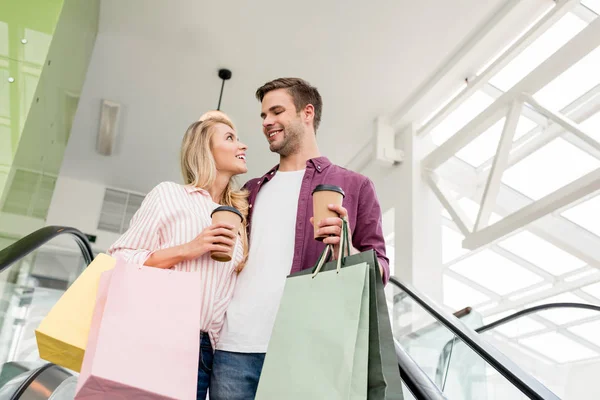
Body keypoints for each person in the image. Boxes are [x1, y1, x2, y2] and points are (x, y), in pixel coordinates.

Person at [209, 78, 389, 399]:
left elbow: (381, 272)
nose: (266, 122)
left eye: (276, 111)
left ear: (307, 113)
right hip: (234, 347)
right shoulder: (248, 190)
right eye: (263, 115)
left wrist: (345, 249)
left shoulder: (355, 185)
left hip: (306, 348)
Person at [107, 114, 249, 400]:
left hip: (209, 350)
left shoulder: (240, 218)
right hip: (161, 336)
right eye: (230, 138)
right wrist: (190, 248)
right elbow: (120, 260)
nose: (243, 145)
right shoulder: (170, 195)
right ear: (205, 149)